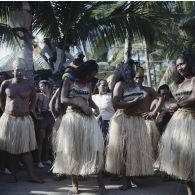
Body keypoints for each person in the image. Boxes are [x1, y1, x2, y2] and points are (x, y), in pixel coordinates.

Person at [52, 60, 106, 194]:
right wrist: (79, 103)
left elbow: (89, 99)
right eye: (89, 74)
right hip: (72, 118)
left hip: (88, 119)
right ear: (84, 71)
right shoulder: (69, 79)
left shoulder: (90, 82)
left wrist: (95, 107)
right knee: (73, 151)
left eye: (93, 75)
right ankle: (74, 184)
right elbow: (63, 99)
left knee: (96, 150)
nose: (90, 77)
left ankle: (100, 183)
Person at [106, 60, 154, 190]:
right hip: (124, 121)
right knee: (124, 151)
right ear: (127, 70)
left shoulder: (135, 85)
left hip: (137, 121)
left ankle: (132, 176)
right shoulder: (120, 85)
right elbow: (116, 104)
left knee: (135, 150)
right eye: (134, 68)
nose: (136, 70)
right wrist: (133, 102)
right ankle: (125, 180)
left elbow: (142, 102)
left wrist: (142, 108)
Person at [0, 58, 42, 183]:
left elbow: (33, 100)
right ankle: (13, 175)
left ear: (24, 71)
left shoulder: (29, 84)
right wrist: (8, 112)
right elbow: (1, 101)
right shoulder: (6, 84)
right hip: (9, 120)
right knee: (12, 150)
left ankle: (32, 175)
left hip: (24, 120)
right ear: (13, 70)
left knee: (26, 150)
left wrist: (30, 110)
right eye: (17, 70)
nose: (19, 72)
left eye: (21, 70)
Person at [159, 52, 195, 195]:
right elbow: (177, 102)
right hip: (179, 125)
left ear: (190, 63)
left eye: (182, 63)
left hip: (192, 122)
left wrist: (178, 105)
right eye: (177, 65)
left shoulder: (193, 80)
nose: (179, 67)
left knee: (192, 160)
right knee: (183, 159)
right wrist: (169, 106)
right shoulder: (180, 84)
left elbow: (193, 97)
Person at [135, 66, 163, 160]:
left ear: (143, 78)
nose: (138, 79)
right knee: (136, 146)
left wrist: (154, 112)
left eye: (140, 77)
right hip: (134, 121)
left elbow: (160, 98)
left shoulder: (149, 89)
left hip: (147, 121)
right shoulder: (130, 90)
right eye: (136, 77)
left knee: (150, 145)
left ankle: (149, 165)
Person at [36, 80, 55, 168]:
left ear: (47, 86)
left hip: (51, 118)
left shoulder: (52, 95)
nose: (40, 88)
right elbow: (33, 107)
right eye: (40, 86)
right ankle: (39, 160)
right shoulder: (39, 95)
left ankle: (46, 158)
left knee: (48, 140)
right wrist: (37, 116)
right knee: (41, 140)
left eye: (42, 86)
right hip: (42, 118)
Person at [92, 79, 115, 145]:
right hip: (95, 124)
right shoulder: (93, 97)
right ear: (98, 86)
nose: (106, 87)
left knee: (108, 143)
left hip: (109, 123)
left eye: (107, 86)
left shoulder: (111, 96)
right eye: (103, 85)